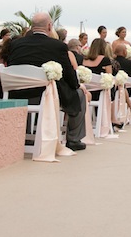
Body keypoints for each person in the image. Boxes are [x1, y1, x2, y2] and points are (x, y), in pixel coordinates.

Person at [5, 11, 86, 151]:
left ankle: (25, 135)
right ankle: (73, 139)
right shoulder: (57, 46)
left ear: (32, 26)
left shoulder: (15, 44)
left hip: (16, 93)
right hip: (45, 95)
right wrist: (76, 85)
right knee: (79, 94)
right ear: (49, 26)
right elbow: (68, 74)